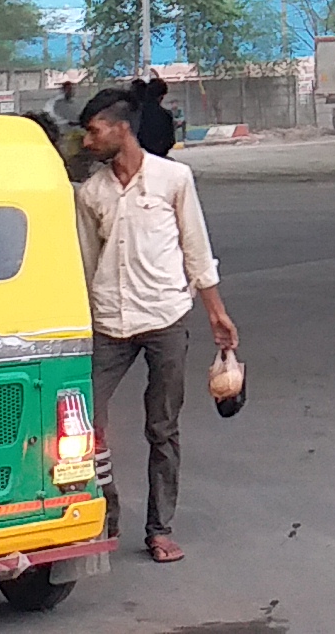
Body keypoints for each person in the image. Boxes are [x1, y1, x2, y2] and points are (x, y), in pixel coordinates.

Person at [76, 98, 236, 564]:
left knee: (162, 428)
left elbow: (196, 250)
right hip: (109, 321)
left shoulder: (173, 179)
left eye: (94, 131)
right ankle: (107, 512)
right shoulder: (91, 193)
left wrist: (216, 314)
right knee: (86, 423)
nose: (87, 141)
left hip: (165, 318)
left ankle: (160, 528)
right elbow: (88, 265)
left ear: (121, 129)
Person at [131, 75, 180, 157]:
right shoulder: (166, 115)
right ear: (161, 97)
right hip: (159, 157)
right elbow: (170, 142)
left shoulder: (133, 114)